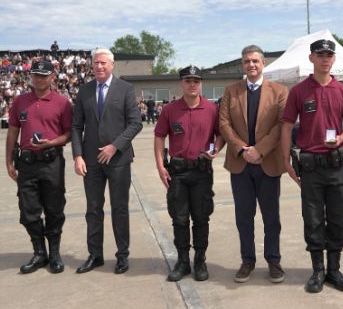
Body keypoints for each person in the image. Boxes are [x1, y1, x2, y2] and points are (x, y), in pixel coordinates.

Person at [280, 39, 343, 293]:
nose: (325, 59)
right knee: (312, 219)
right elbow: (287, 126)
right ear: (311, 58)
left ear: (333, 59)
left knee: (338, 218)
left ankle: (334, 269)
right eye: (320, 55)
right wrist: (285, 160)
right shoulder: (299, 91)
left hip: (337, 166)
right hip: (310, 167)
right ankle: (318, 271)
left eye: (329, 55)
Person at [219, 45, 288, 284]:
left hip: (267, 162)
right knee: (243, 217)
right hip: (240, 164)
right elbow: (224, 124)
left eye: (255, 61)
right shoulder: (231, 91)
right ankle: (247, 260)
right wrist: (241, 149)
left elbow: (281, 125)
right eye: (247, 61)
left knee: (271, 218)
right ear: (242, 64)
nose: (251, 65)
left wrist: (259, 150)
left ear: (264, 63)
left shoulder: (279, 91)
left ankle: (273, 260)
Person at [71, 48, 143, 274]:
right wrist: (78, 155)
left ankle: (122, 255)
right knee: (93, 209)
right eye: (95, 63)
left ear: (112, 65)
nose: (99, 67)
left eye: (103, 63)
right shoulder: (84, 91)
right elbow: (76, 126)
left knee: (119, 208)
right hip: (91, 161)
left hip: (118, 160)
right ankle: (95, 255)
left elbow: (135, 123)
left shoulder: (125, 89)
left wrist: (115, 146)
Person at [154, 66, 224, 281]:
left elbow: (221, 136)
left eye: (196, 80)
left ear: (201, 83)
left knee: (201, 218)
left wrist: (214, 151)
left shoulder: (212, 109)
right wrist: (160, 167)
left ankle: (200, 260)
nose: (192, 84)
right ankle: (183, 261)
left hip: (202, 171)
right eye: (188, 80)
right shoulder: (170, 110)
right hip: (178, 173)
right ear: (181, 83)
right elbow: (159, 137)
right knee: (180, 218)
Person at [5, 60, 72, 274]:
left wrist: (52, 142)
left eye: (44, 75)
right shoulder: (19, 101)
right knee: (28, 210)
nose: (39, 79)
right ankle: (39, 252)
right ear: (30, 77)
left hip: (51, 162)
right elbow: (13, 131)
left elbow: (70, 134)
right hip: (26, 164)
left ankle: (54, 253)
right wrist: (8, 161)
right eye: (35, 75)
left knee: (54, 209)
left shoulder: (62, 103)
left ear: (53, 77)